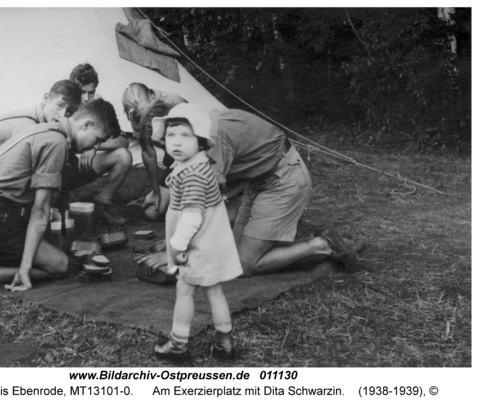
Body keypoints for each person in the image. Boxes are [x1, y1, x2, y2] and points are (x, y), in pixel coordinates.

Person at [152, 104, 358, 277]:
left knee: (244, 265)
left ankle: (320, 244)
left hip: (283, 180)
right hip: (259, 180)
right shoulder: (202, 125)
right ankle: (311, 243)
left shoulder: (211, 141)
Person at [0, 98, 121, 291]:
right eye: (97, 139)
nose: (93, 147)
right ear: (86, 125)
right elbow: (40, 210)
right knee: (59, 265)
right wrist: (26, 266)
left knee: (42, 244)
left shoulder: (47, 129)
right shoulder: (57, 143)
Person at [151, 104, 242, 359]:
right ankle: (225, 342)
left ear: (200, 142)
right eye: (171, 135)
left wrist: (178, 247)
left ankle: (178, 345)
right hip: (213, 241)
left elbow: (191, 218)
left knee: (185, 290)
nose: (176, 142)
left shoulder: (192, 175)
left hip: (198, 245)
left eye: (186, 135)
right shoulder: (198, 165)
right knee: (214, 290)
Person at [0, 80, 82, 202]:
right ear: (46, 98)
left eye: (69, 112)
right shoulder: (27, 124)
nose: (62, 115)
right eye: (60, 105)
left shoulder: (34, 116)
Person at [67, 64, 132, 226]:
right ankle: (60, 205)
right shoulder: (63, 104)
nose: (87, 98)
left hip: (85, 165)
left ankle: (101, 207)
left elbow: (123, 140)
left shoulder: (98, 104)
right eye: (82, 92)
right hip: (62, 168)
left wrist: (94, 146)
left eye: (92, 92)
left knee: (123, 155)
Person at [122, 82, 186, 221]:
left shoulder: (174, 103)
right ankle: (154, 194)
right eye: (140, 116)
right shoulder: (134, 110)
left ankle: (151, 197)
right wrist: (157, 191)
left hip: (187, 155)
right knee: (152, 213)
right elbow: (148, 150)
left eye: (146, 112)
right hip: (170, 154)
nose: (144, 118)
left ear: (152, 97)